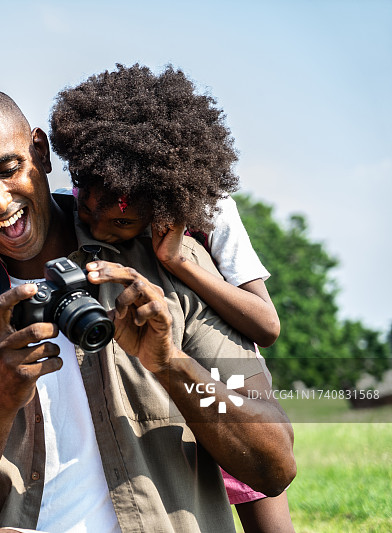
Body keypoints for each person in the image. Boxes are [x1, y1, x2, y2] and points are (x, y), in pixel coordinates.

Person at [0, 87, 295, 532]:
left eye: (8, 169)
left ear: (40, 152)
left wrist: (170, 364)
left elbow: (274, 468)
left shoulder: (171, 269)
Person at [48, 64, 293, 532]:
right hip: (159, 383)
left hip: (229, 376)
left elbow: (266, 325)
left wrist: (178, 262)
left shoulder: (210, 209)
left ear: (165, 205)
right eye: (89, 213)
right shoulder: (80, 195)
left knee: (267, 510)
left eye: (122, 224)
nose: (99, 229)